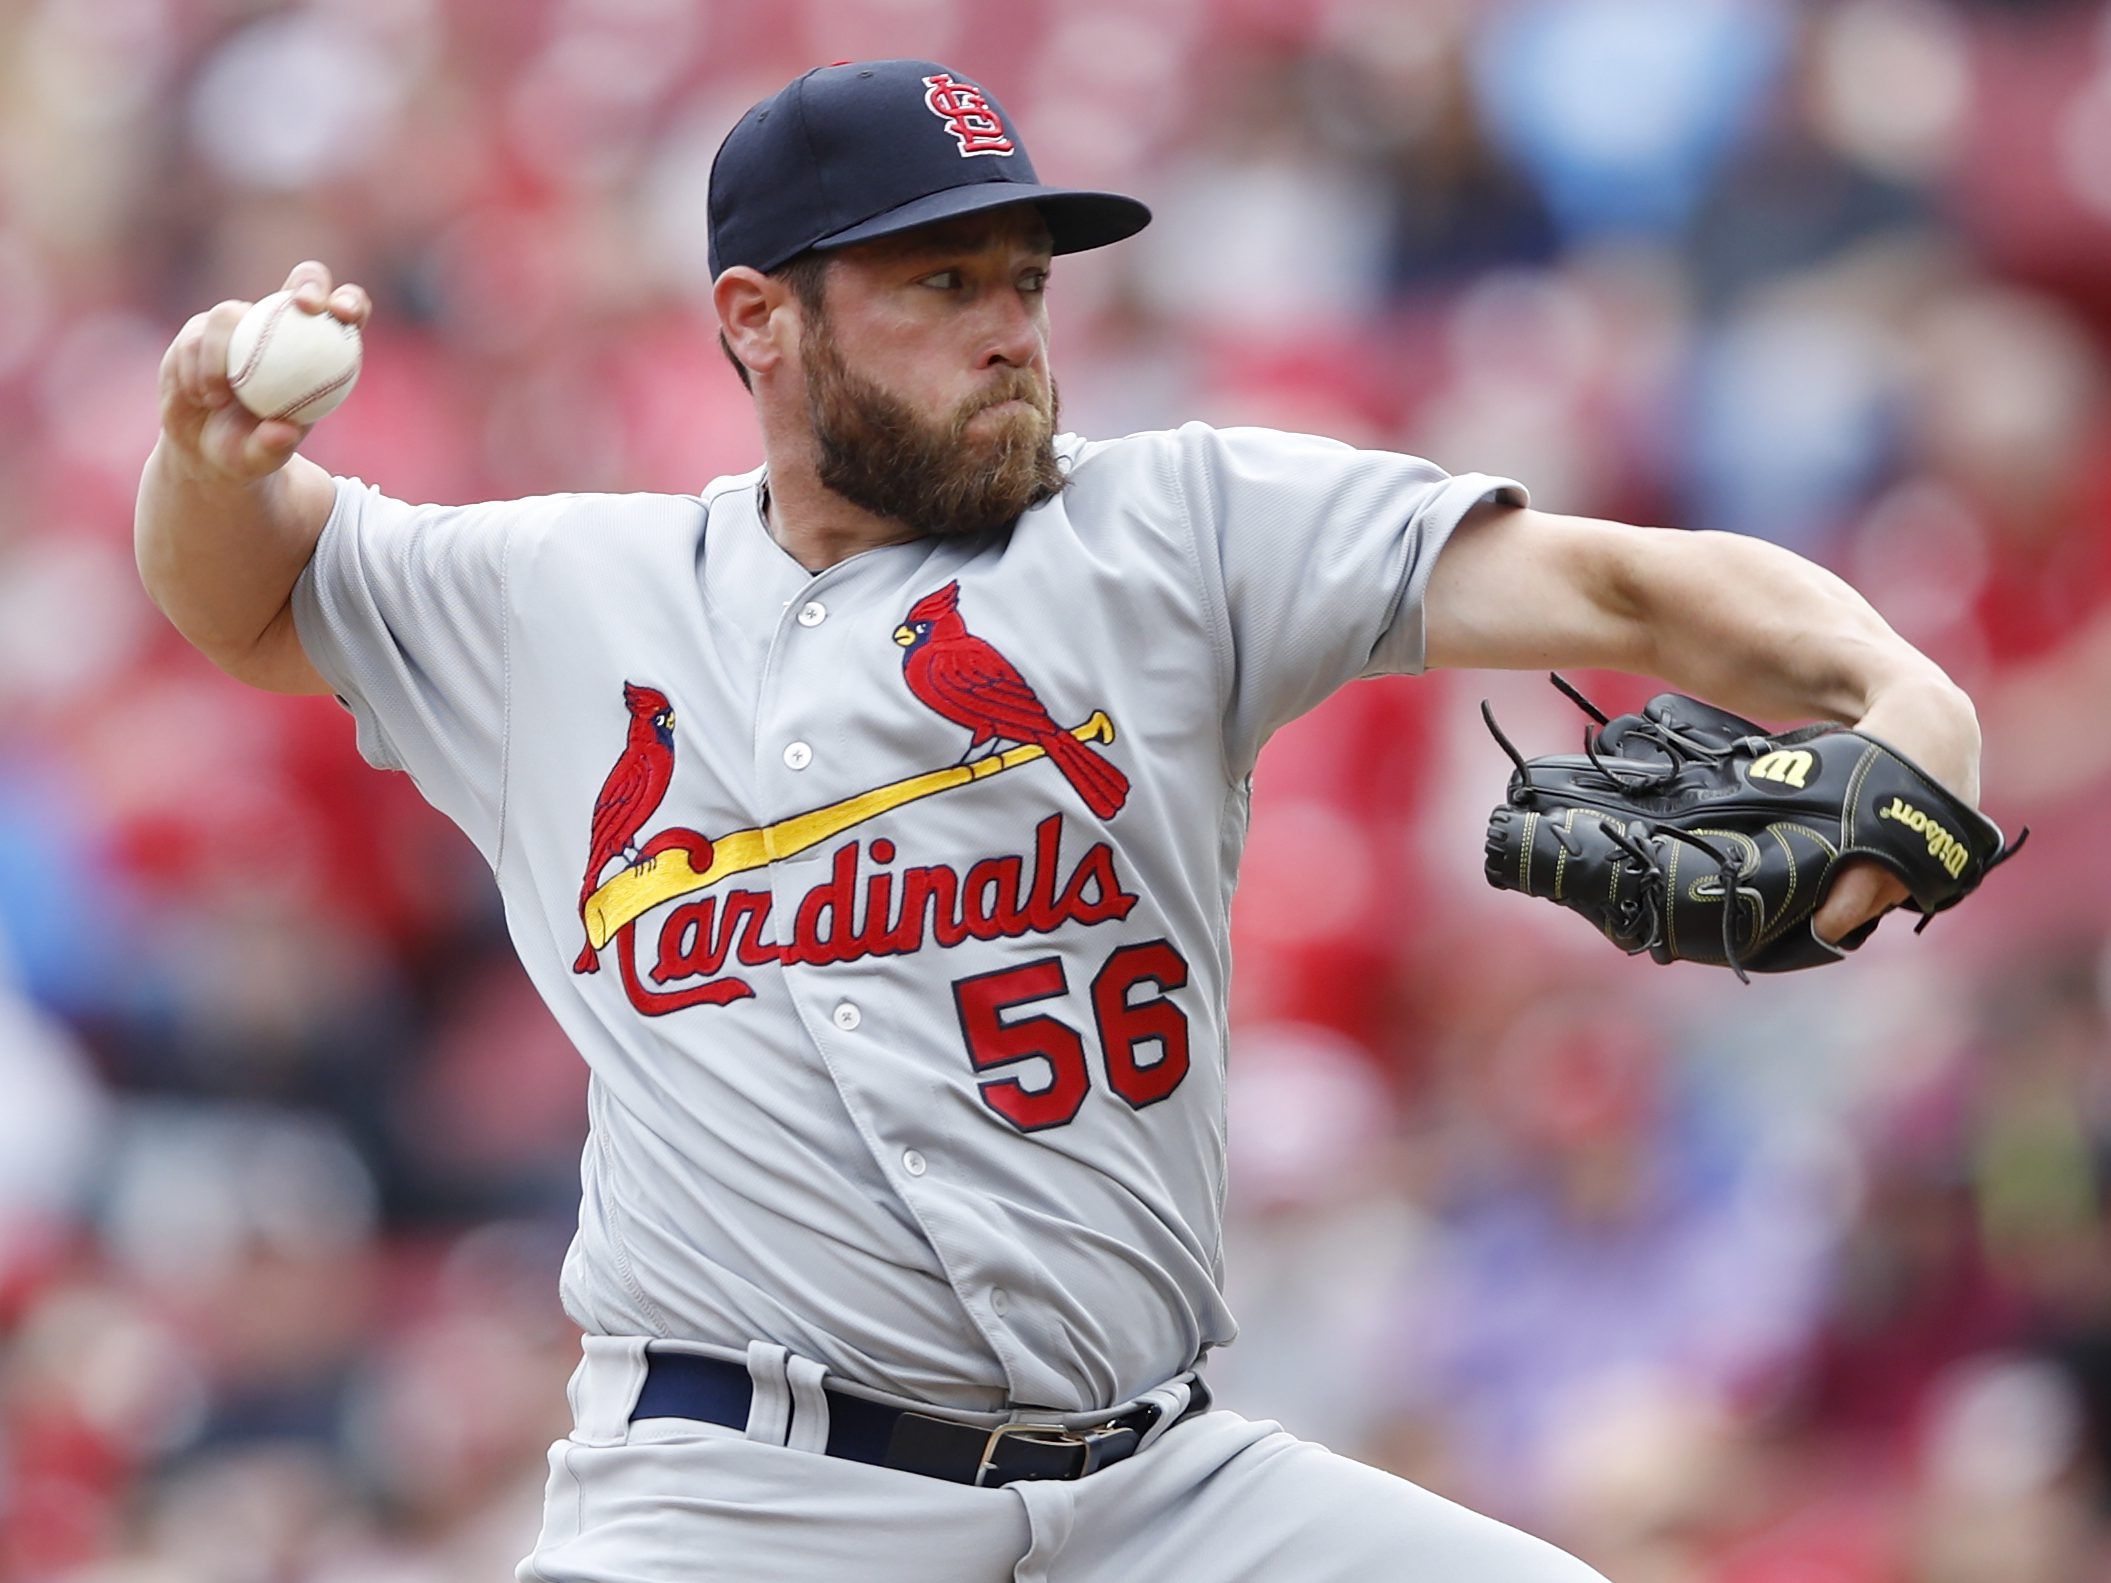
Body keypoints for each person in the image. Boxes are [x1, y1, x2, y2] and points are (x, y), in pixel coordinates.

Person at [135, 59, 1979, 1583]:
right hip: (741, 1505)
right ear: (757, 323)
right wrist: (206, 457)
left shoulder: (1177, 531)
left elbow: (1628, 589)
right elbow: (243, 596)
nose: (1011, 330)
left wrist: (1912, 699)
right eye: (940, 285)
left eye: (1026, 278)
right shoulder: (561, 593)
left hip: (1158, 1494)